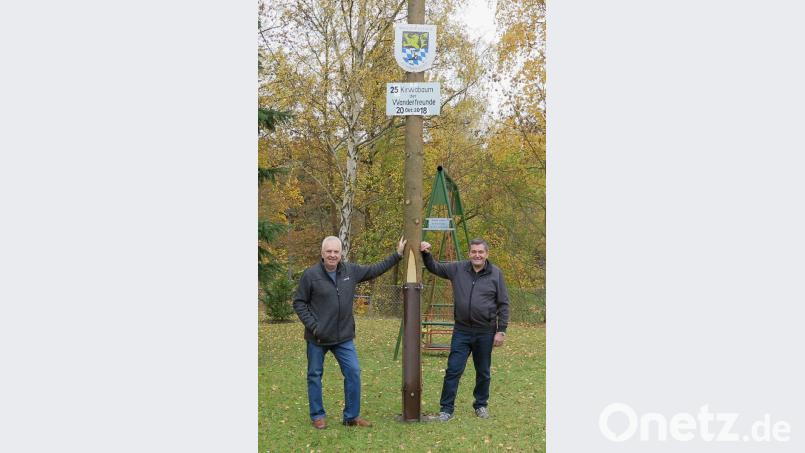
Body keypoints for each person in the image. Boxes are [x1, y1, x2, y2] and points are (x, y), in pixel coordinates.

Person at [293, 235, 406, 429]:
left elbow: (374, 269)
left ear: (341, 253)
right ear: (322, 253)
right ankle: (317, 415)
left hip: (343, 337)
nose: (332, 255)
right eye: (329, 251)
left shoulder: (350, 271)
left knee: (353, 372)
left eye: (336, 251)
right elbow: (299, 302)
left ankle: (351, 416)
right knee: (314, 376)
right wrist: (314, 326)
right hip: (317, 337)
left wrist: (397, 255)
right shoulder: (310, 275)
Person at [420, 238, 510, 421]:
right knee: (453, 370)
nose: (477, 255)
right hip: (462, 331)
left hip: (486, 331)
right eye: (474, 251)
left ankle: (481, 405)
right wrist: (426, 254)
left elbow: (503, 303)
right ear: (469, 253)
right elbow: (435, 268)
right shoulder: (458, 269)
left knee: (483, 371)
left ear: (486, 254)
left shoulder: (496, 274)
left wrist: (501, 330)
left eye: (480, 252)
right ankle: (446, 409)